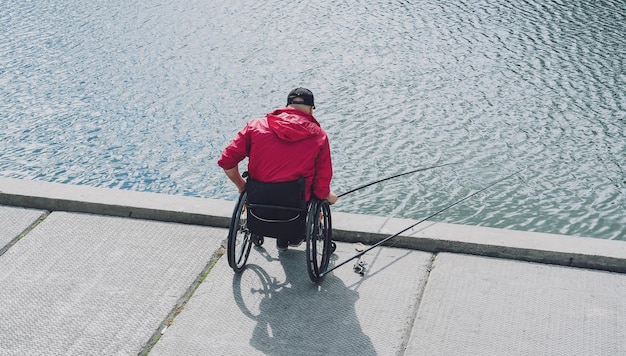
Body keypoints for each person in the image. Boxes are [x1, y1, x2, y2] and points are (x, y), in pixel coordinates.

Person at [218, 87, 338, 251]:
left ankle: (270, 233)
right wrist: (327, 196)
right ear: (311, 109)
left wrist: (241, 186)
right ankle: (287, 238)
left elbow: (226, 161)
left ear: (287, 105)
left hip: (258, 198)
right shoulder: (319, 136)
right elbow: (323, 178)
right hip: (296, 202)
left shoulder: (255, 126)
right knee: (310, 195)